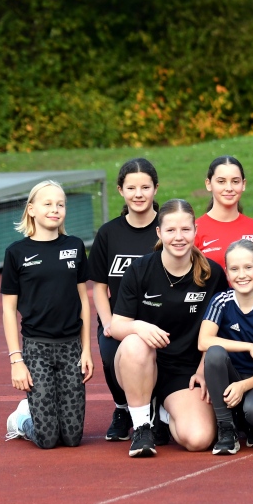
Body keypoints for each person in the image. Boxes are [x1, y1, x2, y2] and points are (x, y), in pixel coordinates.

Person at [110, 199, 229, 457]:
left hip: (185, 372)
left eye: (185, 230)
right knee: (133, 341)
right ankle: (142, 427)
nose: (178, 237)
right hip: (142, 364)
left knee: (198, 439)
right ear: (159, 232)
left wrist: (203, 367)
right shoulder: (139, 269)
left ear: (195, 231)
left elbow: (220, 330)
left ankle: (162, 413)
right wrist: (139, 326)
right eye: (171, 230)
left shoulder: (213, 274)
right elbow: (116, 325)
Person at [4, 181, 94, 449]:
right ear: (31, 209)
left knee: (72, 438)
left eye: (60, 204)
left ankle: (40, 409)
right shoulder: (16, 252)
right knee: (46, 439)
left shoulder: (75, 246)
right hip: (36, 350)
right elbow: (8, 309)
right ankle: (22, 418)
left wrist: (86, 350)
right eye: (48, 204)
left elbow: (83, 302)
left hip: (70, 349)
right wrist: (16, 360)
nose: (55, 209)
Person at [88, 158, 160, 442]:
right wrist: (108, 322)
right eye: (131, 187)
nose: (139, 194)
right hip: (120, 320)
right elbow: (99, 286)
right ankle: (122, 409)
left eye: (145, 187)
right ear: (120, 190)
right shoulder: (109, 233)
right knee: (109, 354)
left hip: (158, 320)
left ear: (156, 188)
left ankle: (156, 407)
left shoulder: (166, 229)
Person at [200, 240, 253, 454]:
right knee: (215, 353)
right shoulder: (221, 301)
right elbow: (204, 341)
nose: (242, 275)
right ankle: (226, 427)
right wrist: (249, 347)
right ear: (226, 272)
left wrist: (243, 386)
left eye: (248, 267)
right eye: (234, 269)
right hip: (231, 375)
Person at [194, 156, 253, 271]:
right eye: (221, 181)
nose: (229, 188)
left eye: (235, 181)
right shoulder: (193, 231)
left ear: (243, 184)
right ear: (208, 184)